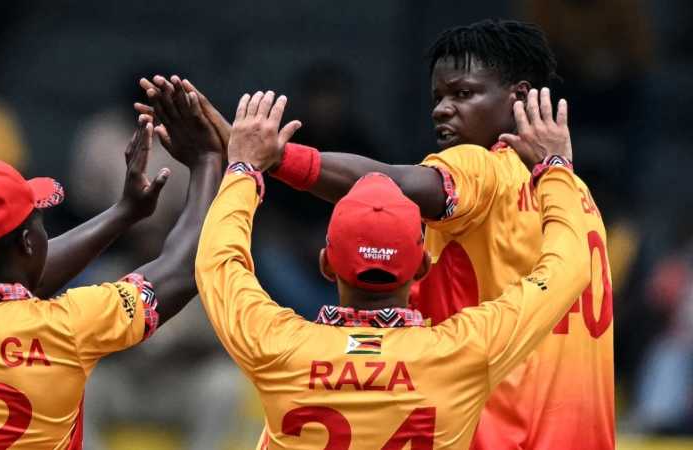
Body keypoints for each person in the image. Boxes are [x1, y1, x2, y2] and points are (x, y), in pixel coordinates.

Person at [160, 18, 614, 450]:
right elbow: (567, 272)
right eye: (438, 96)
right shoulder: (572, 195)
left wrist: (262, 160)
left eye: (463, 93)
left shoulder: (481, 166)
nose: (441, 108)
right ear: (418, 265)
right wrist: (557, 166)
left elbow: (389, 181)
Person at [0, 85, 224, 449]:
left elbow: (20, 279)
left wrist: (124, 213)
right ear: (26, 242)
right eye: (38, 221)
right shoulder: (66, 327)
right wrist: (208, 160)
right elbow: (181, 269)